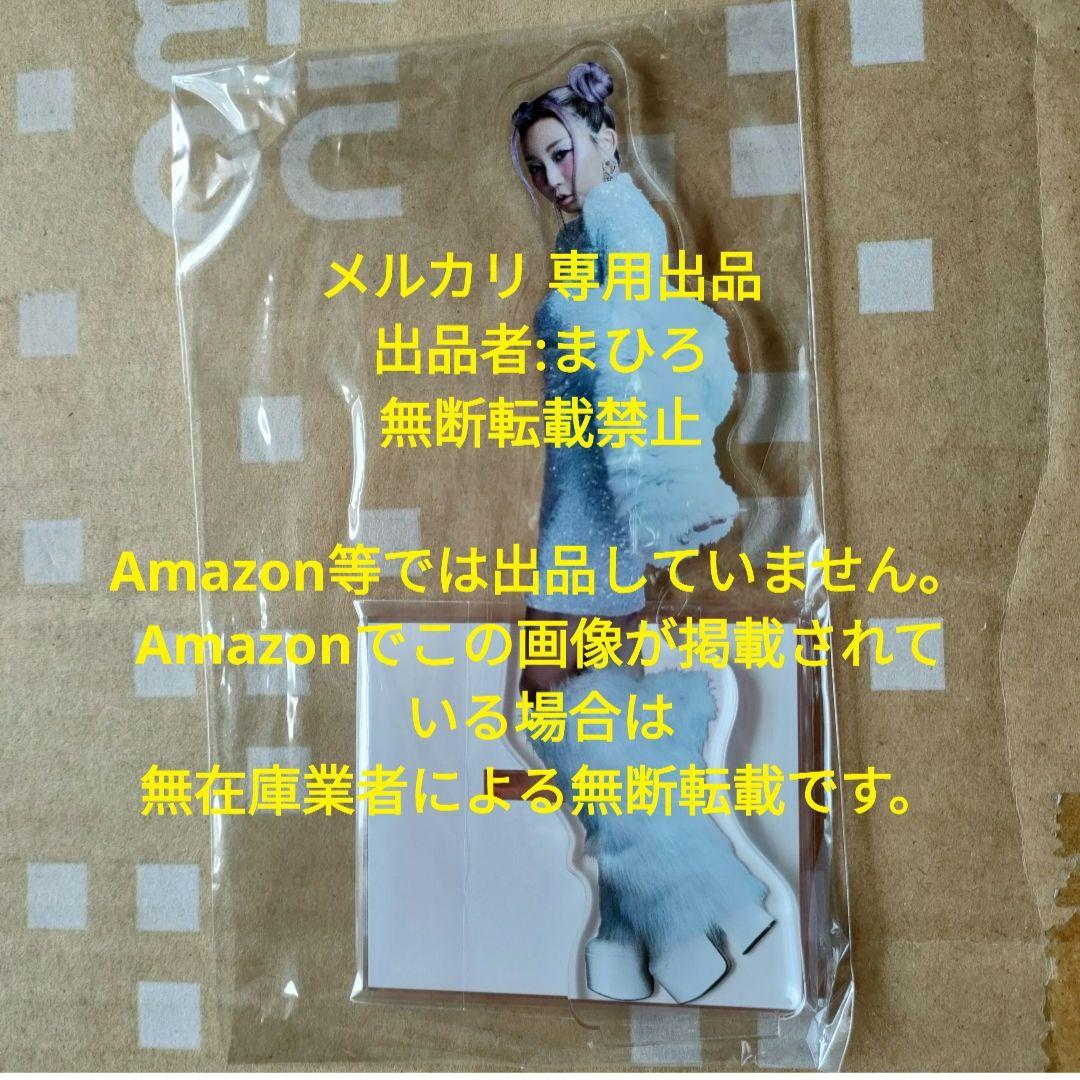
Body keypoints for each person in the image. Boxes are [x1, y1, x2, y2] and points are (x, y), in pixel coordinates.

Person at [507, 62, 775, 1005]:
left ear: (605, 141)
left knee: (552, 710)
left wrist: (664, 510)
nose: (552, 178)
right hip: (581, 524)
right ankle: (628, 937)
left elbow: (643, 367)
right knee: (603, 727)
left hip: (593, 534)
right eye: (537, 167)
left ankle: (707, 895)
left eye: (562, 154)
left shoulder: (625, 228)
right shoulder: (587, 242)